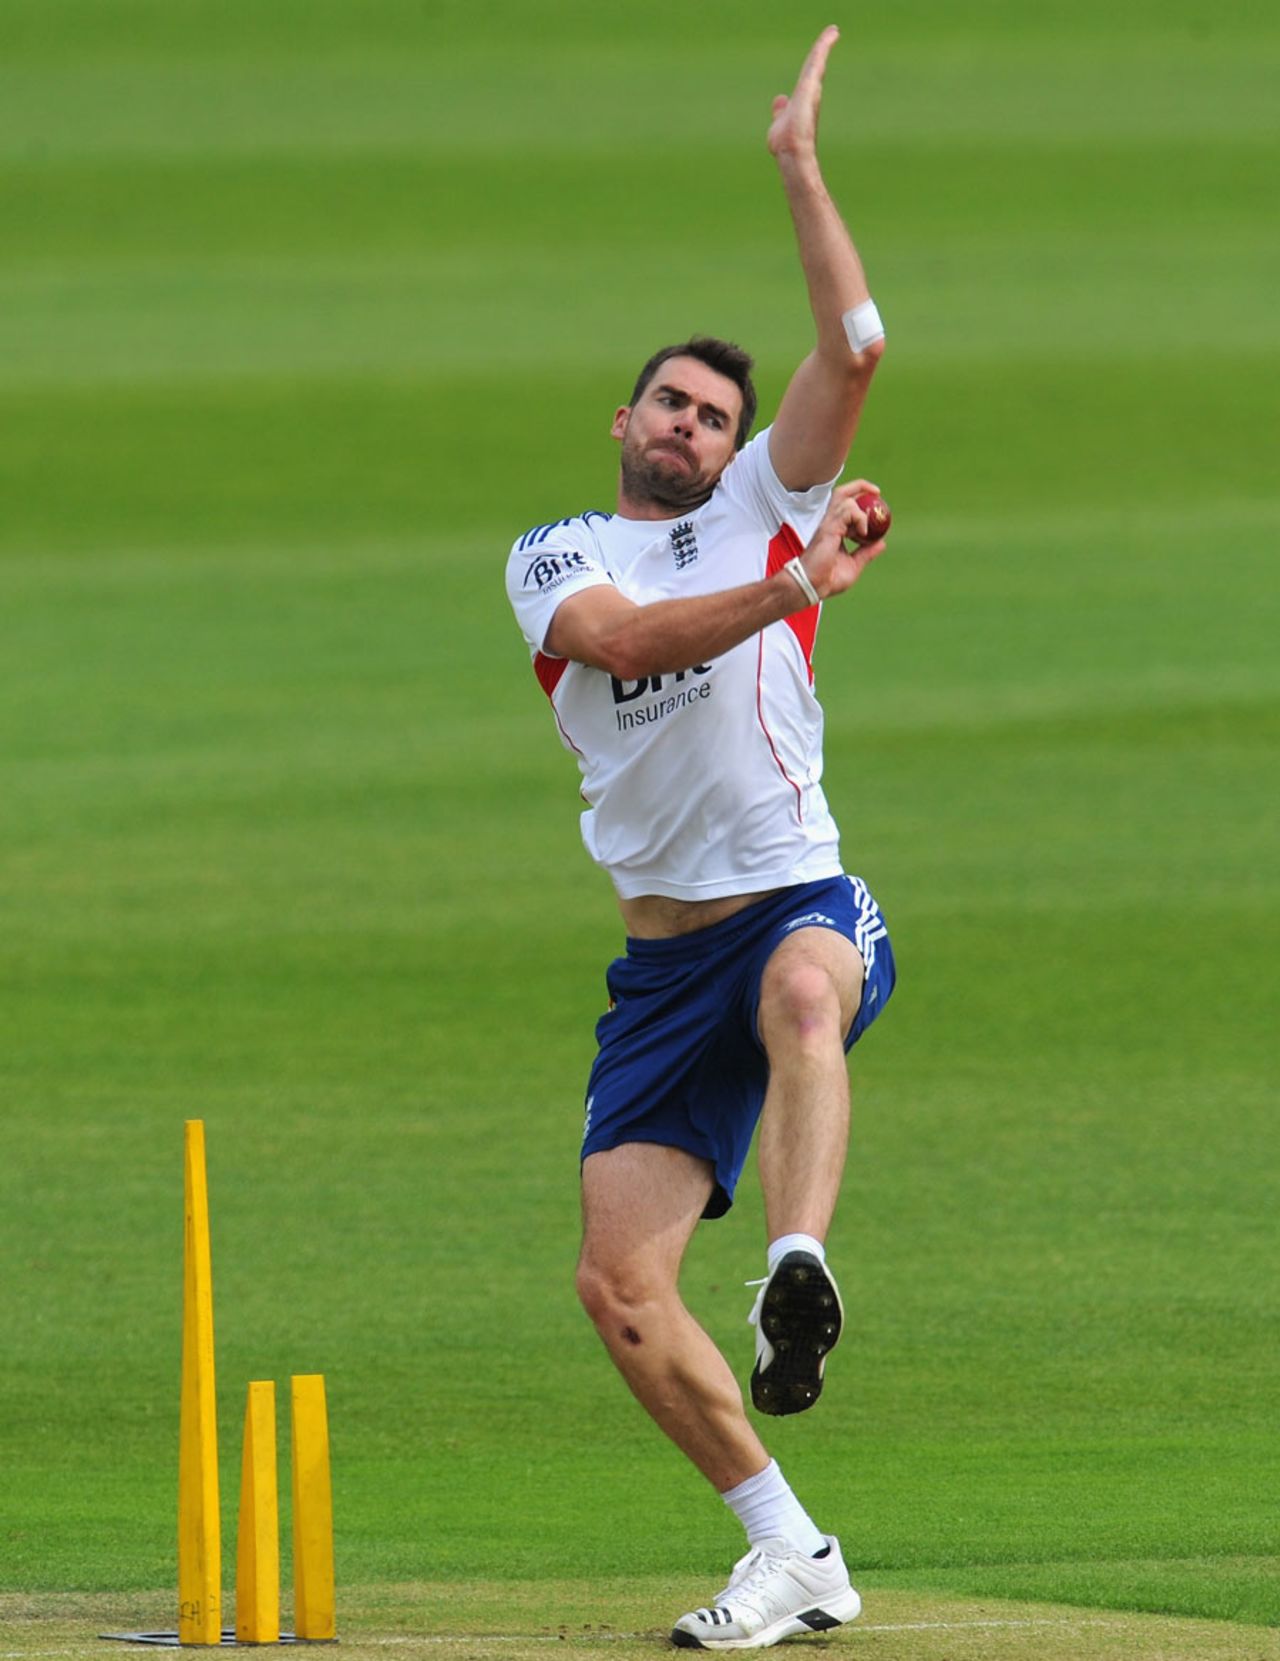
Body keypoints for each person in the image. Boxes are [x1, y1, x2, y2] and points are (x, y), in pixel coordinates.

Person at [505, 27, 896, 1652]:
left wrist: (798, 165)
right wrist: (791, 589)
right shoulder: (556, 552)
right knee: (615, 1290)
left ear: (741, 449)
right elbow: (621, 644)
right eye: (669, 401)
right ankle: (793, 1551)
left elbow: (857, 346)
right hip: (663, 963)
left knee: (806, 994)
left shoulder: (761, 505)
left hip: (799, 898)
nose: (687, 423)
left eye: (713, 415)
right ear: (625, 416)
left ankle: (798, 1267)